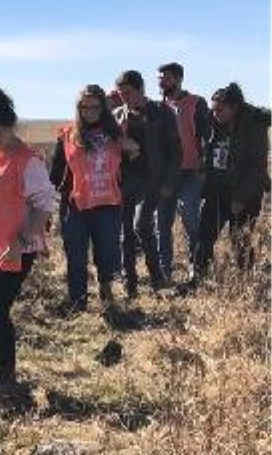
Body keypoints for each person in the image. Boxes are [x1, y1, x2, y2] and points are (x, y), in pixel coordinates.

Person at [0, 88, 59, 385]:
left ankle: (7, 372)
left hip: (17, 245)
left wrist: (20, 243)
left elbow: (45, 204)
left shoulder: (27, 160)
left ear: (11, 127)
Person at [49, 85, 132, 313]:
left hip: (109, 205)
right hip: (76, 206)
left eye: (95, 106)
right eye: (84, 106)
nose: (89, 111)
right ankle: (78, 300)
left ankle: (105, 288)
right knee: (75, 255)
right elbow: (57, 171)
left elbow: (132, 163)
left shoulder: (117, 134)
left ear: (103, 108)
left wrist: (134, 150)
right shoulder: (67, 134)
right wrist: (48, 199)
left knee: (107, 252)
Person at [113, 69, 183, 297]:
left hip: (152, 179)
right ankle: (130, 282)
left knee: (141, 225)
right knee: (125, 231)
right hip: (124, 180)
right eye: (120, 93)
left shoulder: (161, 112)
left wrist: (169, 182)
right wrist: (122, 145)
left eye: (128, 92)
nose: (124, 97)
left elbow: (175, 151)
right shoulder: (117, 115)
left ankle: (157, 280)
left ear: (141, 88)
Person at [194, 83, 272, 279]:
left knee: (240, 239)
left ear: (234, 107)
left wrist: (240, 198)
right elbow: (210, 154)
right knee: (204, 235)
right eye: (213, 110)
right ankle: (198, 278)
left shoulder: (254, 125)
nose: (215, 114)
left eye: (220, 109)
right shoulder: (214, 124)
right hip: (216, 190)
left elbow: (257, 169)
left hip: (245, 192)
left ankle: (243, 281)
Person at [157, 62, 212, 285]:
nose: (161, 82)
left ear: (179, 79)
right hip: (165, 176)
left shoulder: (196, 103)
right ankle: (164, 272)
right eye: (159, 78)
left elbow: (208, 137)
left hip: (190, 173)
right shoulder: (158, 107)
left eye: (166, 78)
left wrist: (203, 168)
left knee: (191, 222)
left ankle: (196, 270)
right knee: (162, 224)